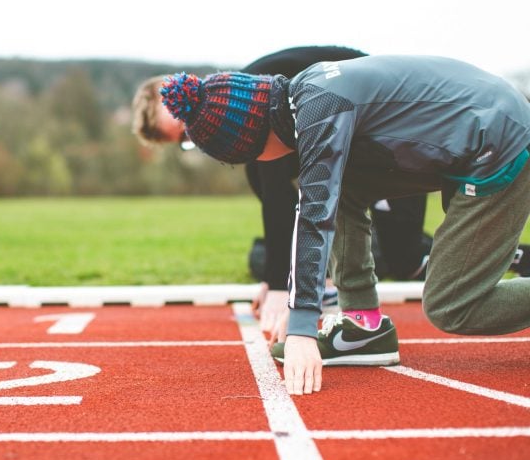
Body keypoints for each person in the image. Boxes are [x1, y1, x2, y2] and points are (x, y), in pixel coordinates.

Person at [159, 55, 530, 396]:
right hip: (478, 125)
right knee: (344, 186)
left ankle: (365, 323)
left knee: (452, 305)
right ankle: (362, 325)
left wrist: (302, 327)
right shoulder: (308, 91)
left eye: (249, 158)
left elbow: (314, 215)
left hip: (499, 142)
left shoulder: (320, 111)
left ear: (254, 141)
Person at [131, 47, 436, 338]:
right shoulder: (243, 110)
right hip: (355, 142)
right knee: (266, 243)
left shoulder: (243, 103)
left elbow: (282, 196)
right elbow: (282, 200)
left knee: (404, 257)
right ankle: (342, 265)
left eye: (187, 129)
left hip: (396, 127)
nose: (194, 136)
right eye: (185, 139)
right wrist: (273, 274)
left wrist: (280, 286)